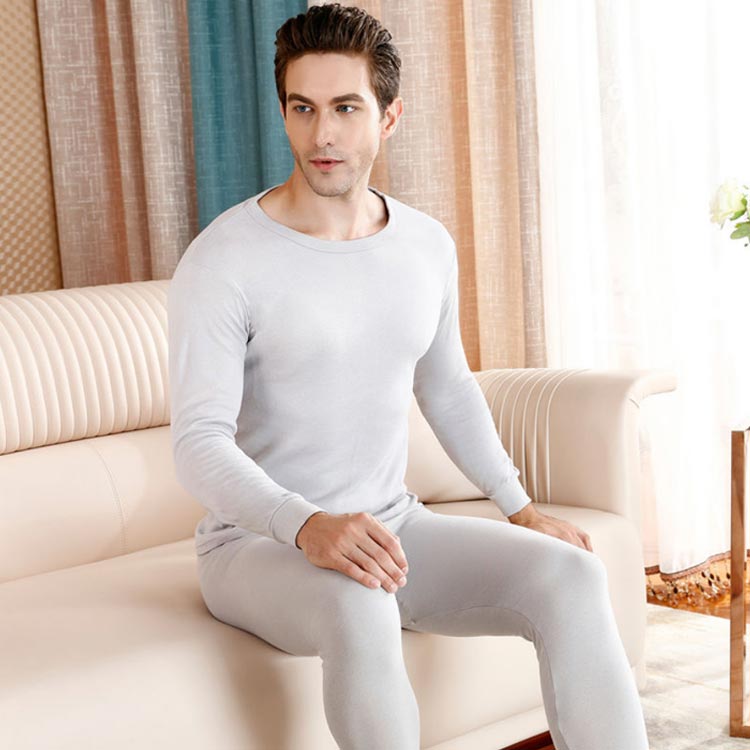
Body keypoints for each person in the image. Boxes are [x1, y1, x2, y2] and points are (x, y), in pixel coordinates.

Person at [167, 4, 650, 749]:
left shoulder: (424, 244)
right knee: (359, 599)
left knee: (572, 576)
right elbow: (198, 442)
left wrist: (519, 506)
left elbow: (447, 386)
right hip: (256, 547)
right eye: (302, 108)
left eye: (345, 108)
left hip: (392, 524)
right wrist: (307, 525)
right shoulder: (223, 259)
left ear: (389, 117)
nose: (321, 135)